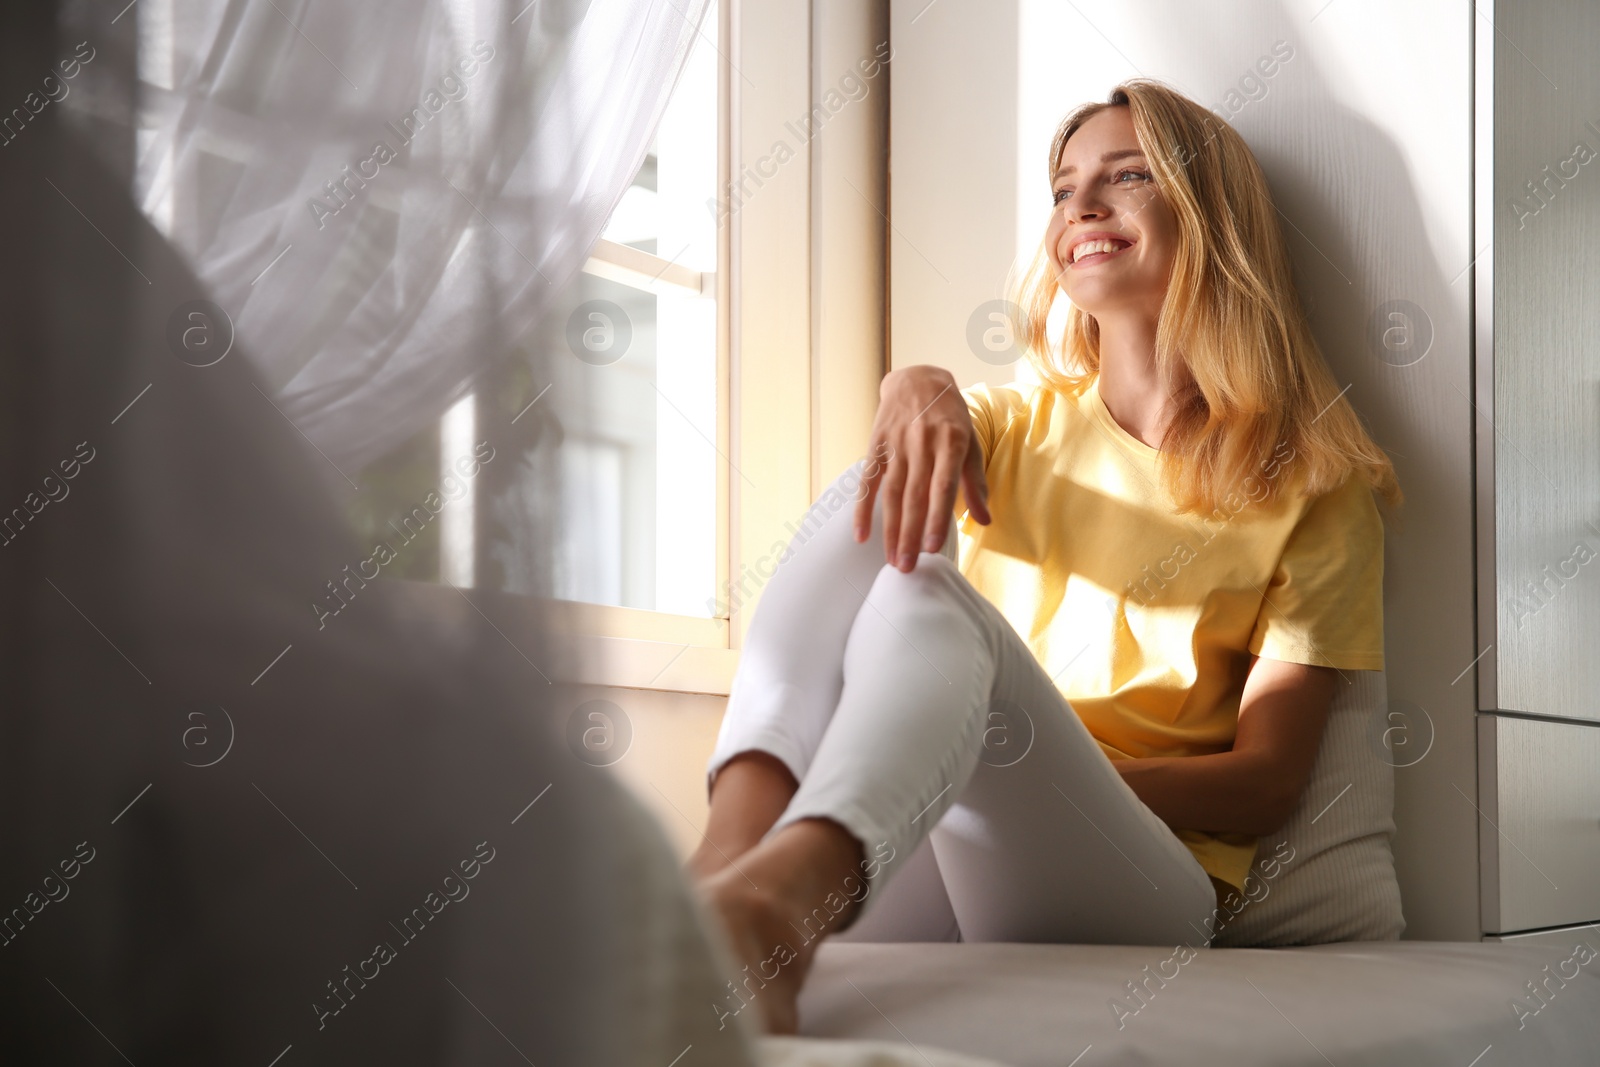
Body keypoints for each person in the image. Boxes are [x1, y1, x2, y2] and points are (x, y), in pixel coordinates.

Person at [686, 78, 1402, 1035]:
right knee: (896, 558)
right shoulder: (1005, 426)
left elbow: (1267, 780)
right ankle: (724, 868)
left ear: (1209, 214)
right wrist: (915, 382)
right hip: (942, 837)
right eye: (1064, 189)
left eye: (1127, 175)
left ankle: (774, 898)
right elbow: (877, 524)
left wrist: (1062, 778)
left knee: (936, 609)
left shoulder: (1312, 481)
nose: (1083, 208)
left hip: (1141, 874)